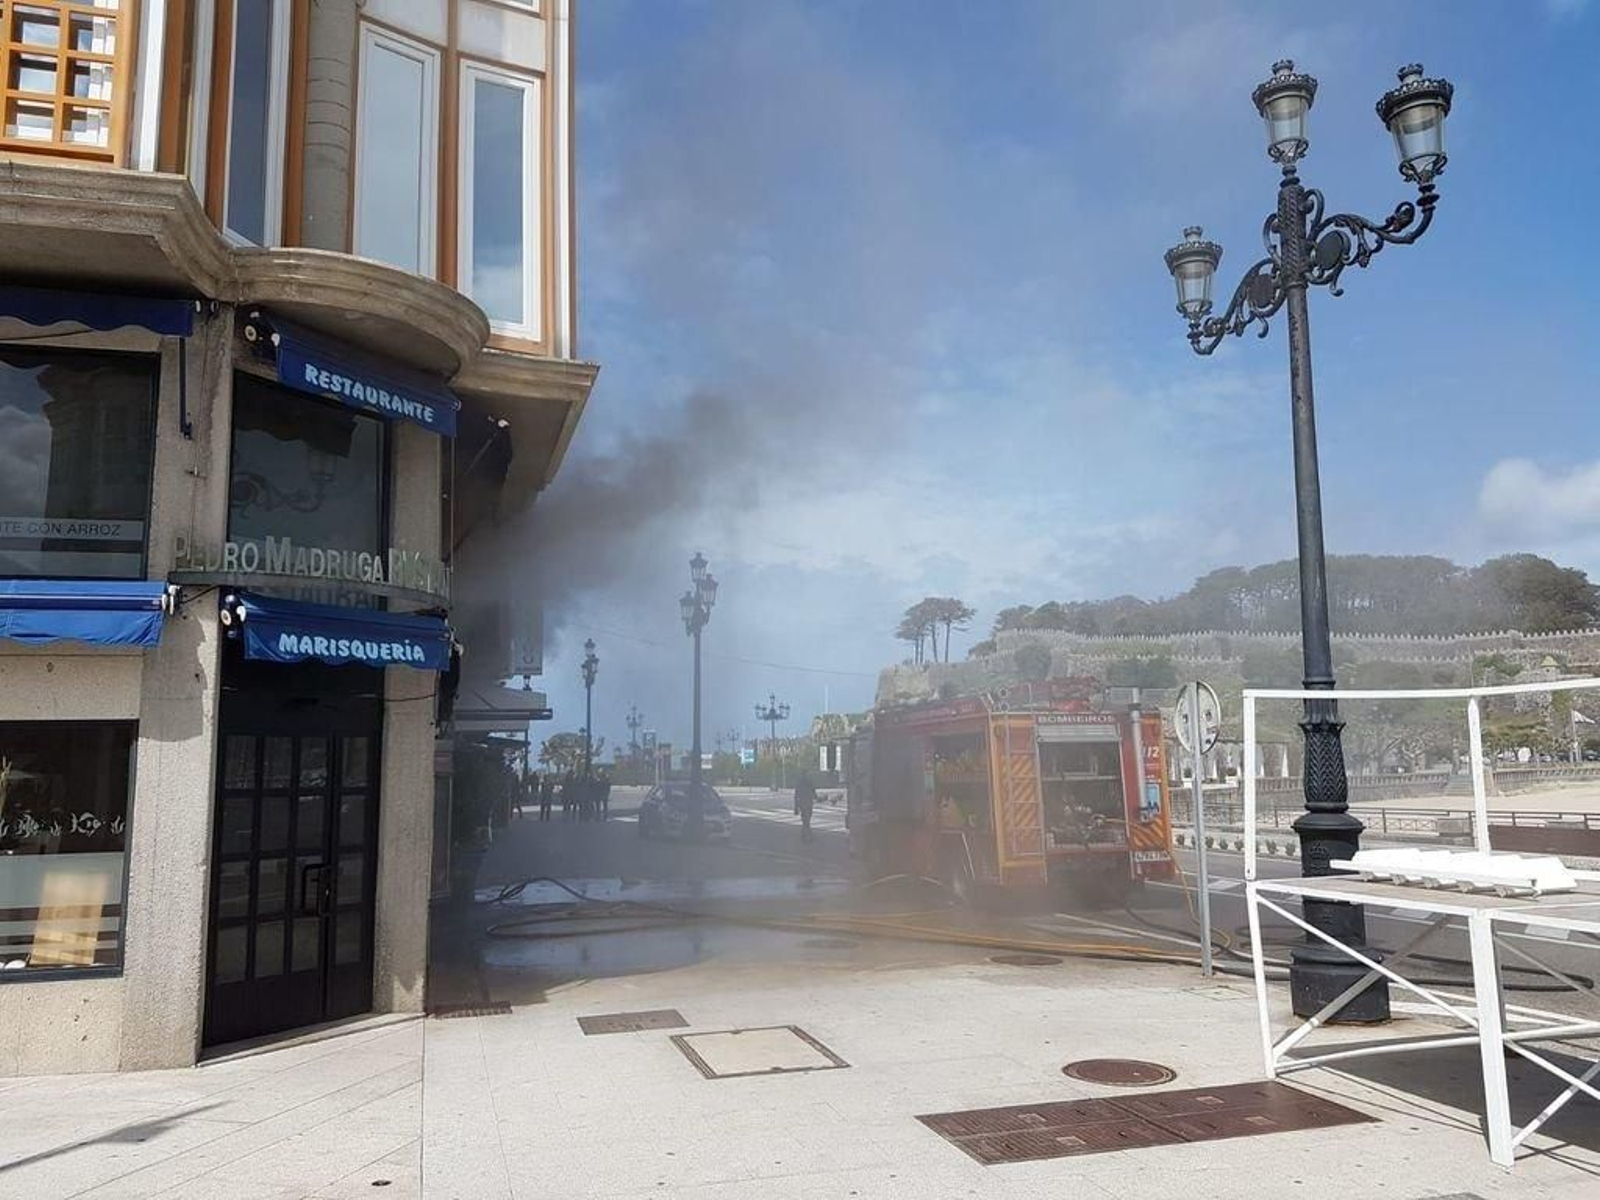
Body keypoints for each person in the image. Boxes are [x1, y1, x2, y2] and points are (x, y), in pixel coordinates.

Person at [793, 770, 817, 843]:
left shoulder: (799, 783)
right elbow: (814, 792)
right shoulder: (809, 782)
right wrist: (816, 797)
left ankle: (805, 833)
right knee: (807, 819)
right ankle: (807, 834)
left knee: (805, 819)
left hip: (803, 803)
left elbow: (796, 795)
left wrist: (796, 806)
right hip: (808, 803)